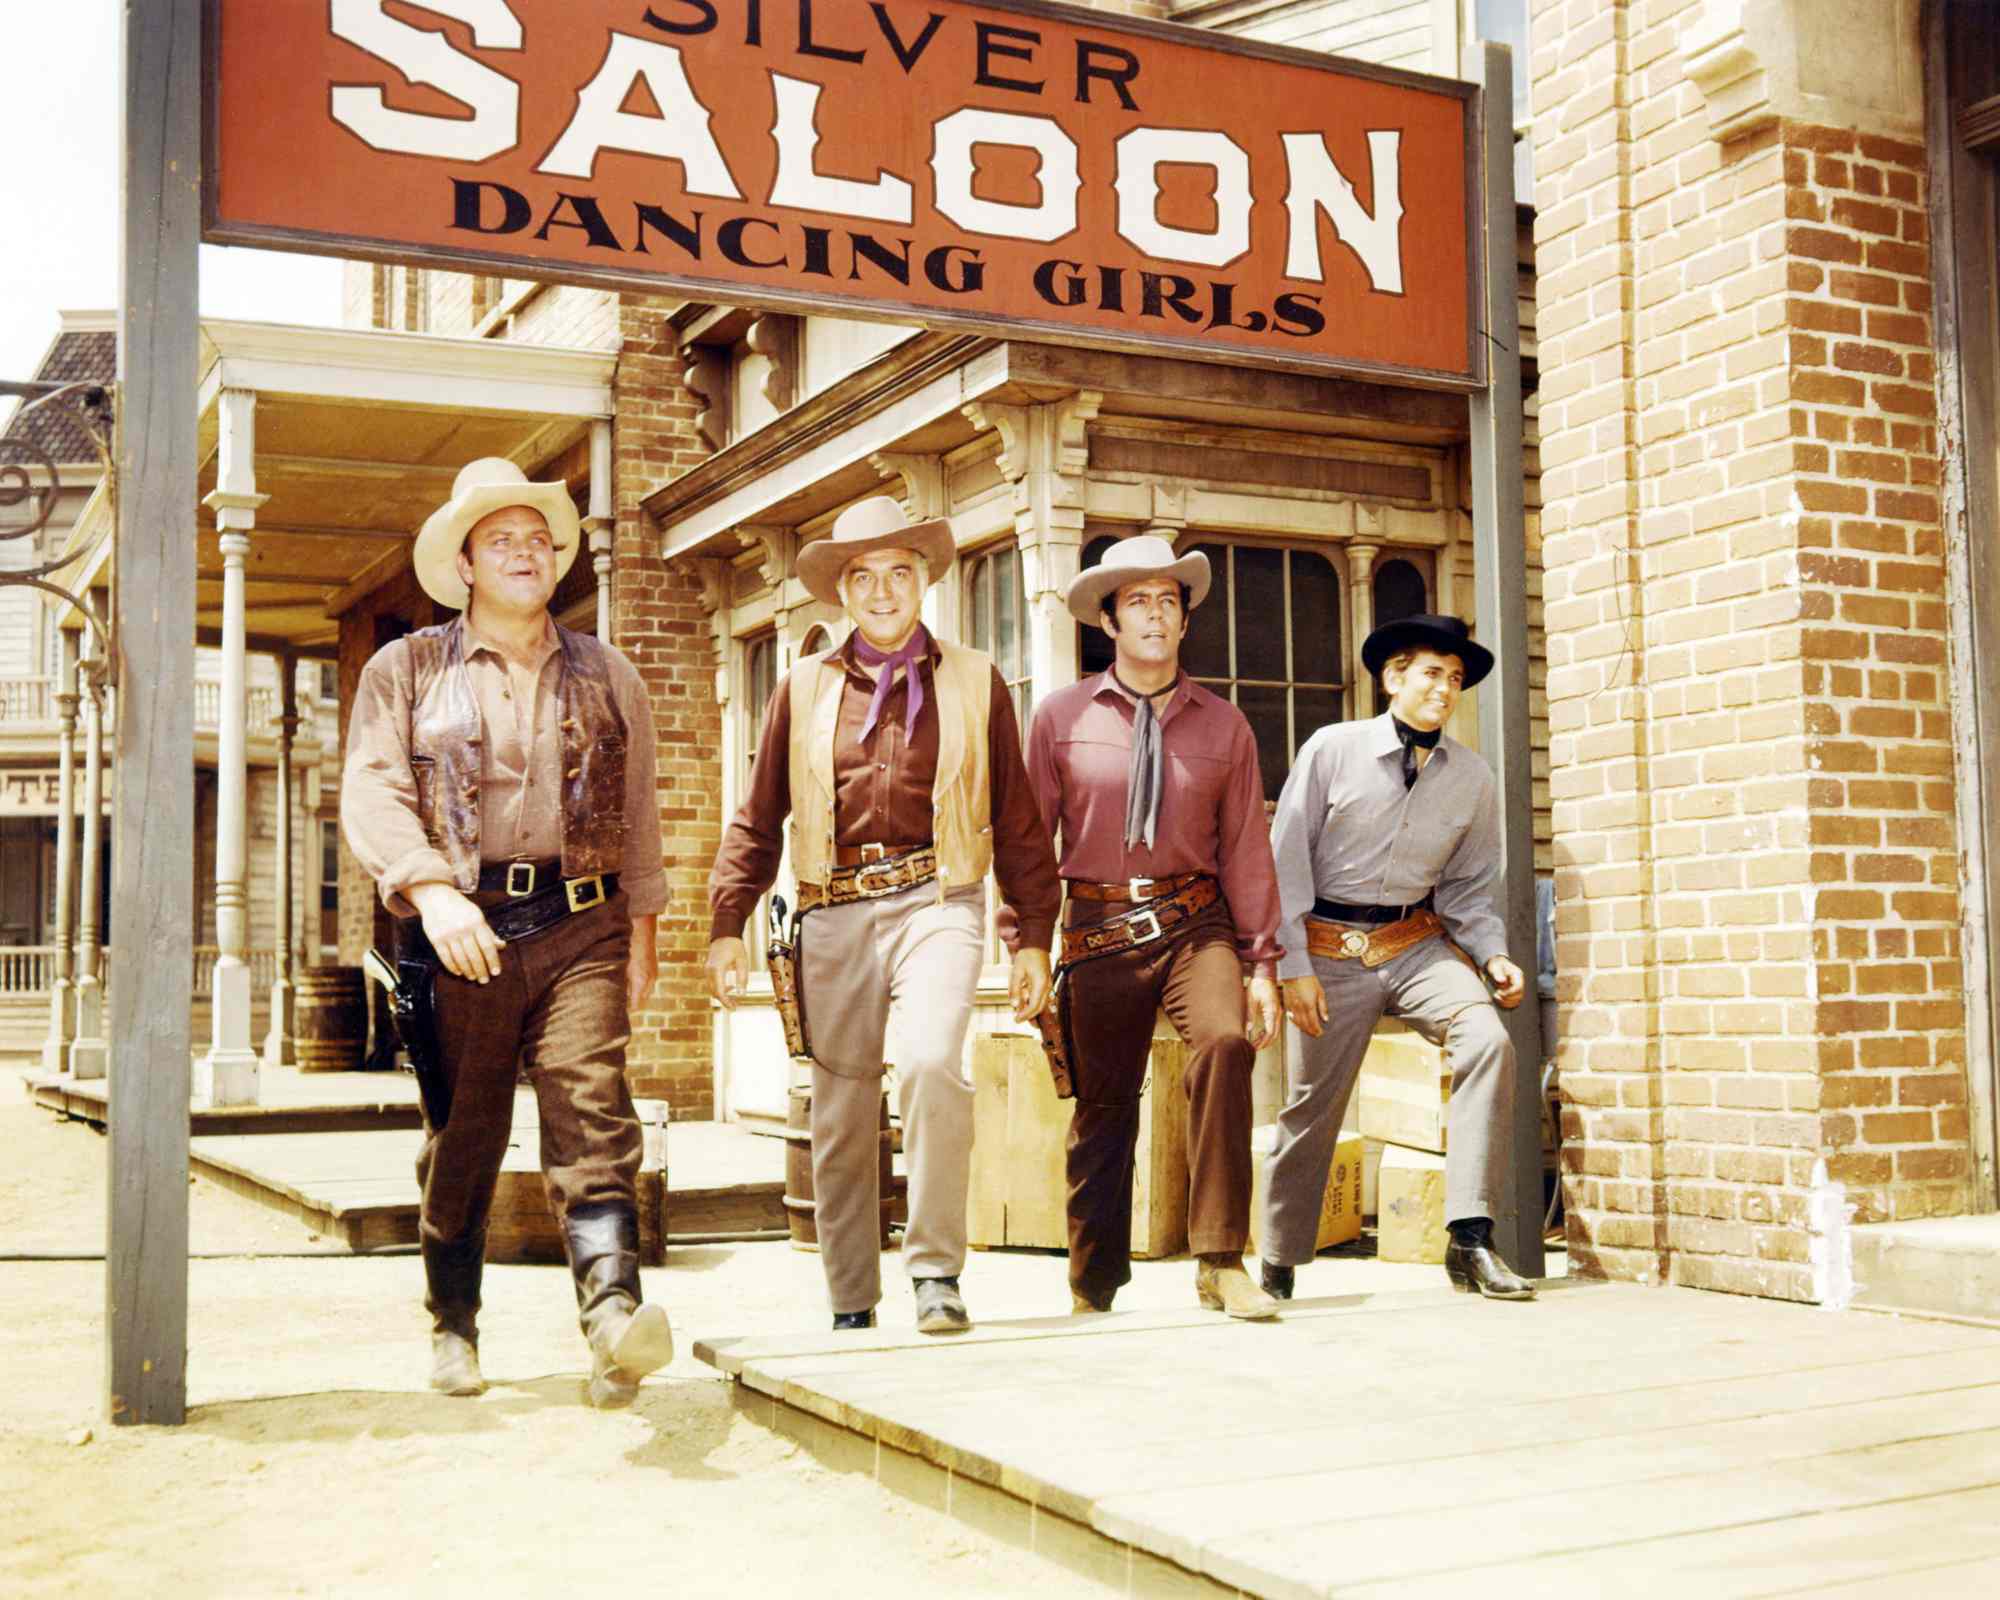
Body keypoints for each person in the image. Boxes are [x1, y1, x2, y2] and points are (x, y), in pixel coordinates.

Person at [343, 456, 676, 1407]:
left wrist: (641, 936)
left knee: (593, 1111)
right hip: (460, 932)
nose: (526, 552)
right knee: (466, 1134)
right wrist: (431, 893)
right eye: (503, 540)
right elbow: (372, 789)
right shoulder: (402, 671)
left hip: (581, 927)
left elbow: (640, 811)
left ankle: (615, 1323)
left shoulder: (608, 672)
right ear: (465, 563)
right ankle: (453, 1323)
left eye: (540, 539)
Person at [706, 496, 1060, 1334]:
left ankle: (936, 1273)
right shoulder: (801, 686)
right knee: (841, 1102)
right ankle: (851, 1296)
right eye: (862, 576)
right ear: (842, 592)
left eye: (899, 571)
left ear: (926, 579)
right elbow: (759, 816)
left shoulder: (976, 681)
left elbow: (1017, 819)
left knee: (936, 1064)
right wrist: (729, 922)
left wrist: (1034, 937)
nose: (882, 590)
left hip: (938, 899)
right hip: (833, 909)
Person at [1022, 534, 1284, 1320]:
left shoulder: (1225, 726)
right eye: (1137, 600)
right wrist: (1026, 943)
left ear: (1183, 620)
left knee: (1225, 1044)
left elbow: (1245, 847)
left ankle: (1220, 1259)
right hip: (1098, 924)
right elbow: (1031, 841)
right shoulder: (1059, 717)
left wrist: (1262, 964)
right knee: (1104, 1104)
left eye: (1169, 600)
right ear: (1107, 620)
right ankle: (1093, 1284)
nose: (1155, 614)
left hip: (1193, 919)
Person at [1260, 613, 1536, 1302]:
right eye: (1432, 673)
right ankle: (1279, 1255)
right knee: (1310, 1106)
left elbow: (1470, 886)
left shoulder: (1472, 777)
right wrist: (1291, 965)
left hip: (1416, 946)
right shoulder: (1333, 749)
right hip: (1325, 948)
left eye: (1456, 678)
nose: (1446, 689)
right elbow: (1284, 862)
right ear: (1393, 678)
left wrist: (1491, 954)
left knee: (1487, 1040)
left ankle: (1470, 1238)